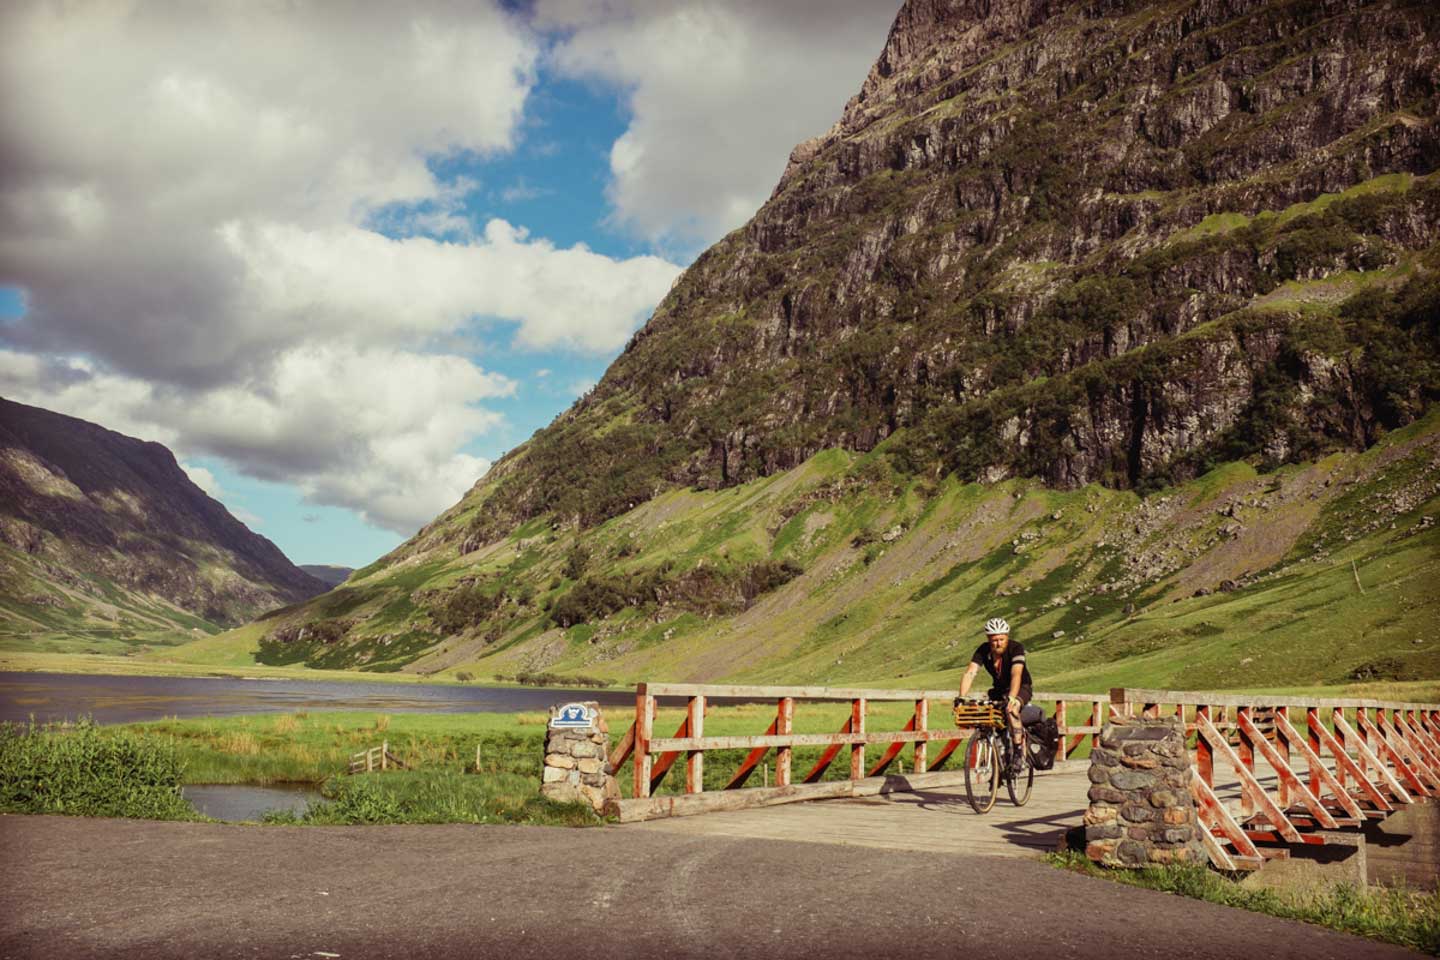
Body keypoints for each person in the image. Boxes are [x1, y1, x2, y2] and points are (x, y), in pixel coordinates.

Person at [956, 617, 1034, 773]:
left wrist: (1012, 698)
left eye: (1001, 639)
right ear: (988, 639)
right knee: (987, 716)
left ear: (1007, 636)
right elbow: (971, 672)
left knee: (1011, 710)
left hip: (1021, 687)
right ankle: (997, 758)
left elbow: (1016, 674)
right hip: (998, 689)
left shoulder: (1016, 648)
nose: (998, 643)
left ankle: (1019, 751)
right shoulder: (983, 650)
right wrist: (961, 697)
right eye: (994, 640)